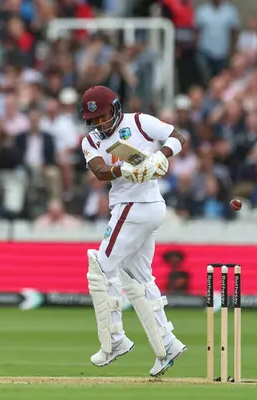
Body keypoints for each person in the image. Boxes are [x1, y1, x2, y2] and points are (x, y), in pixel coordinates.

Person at [80, 85, 188, 377]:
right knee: (138, 277)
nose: (99, 124)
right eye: (93, 120)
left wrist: (161, 156)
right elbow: (100, 172)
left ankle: (114, 341)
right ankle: (167, 344)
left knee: (100, 269)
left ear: (115, 109)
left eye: (103, 117)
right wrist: (126, 170)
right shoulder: (90, 140)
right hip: (140, 208)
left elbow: (179, 137)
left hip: (136, 206)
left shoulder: (140, 122)